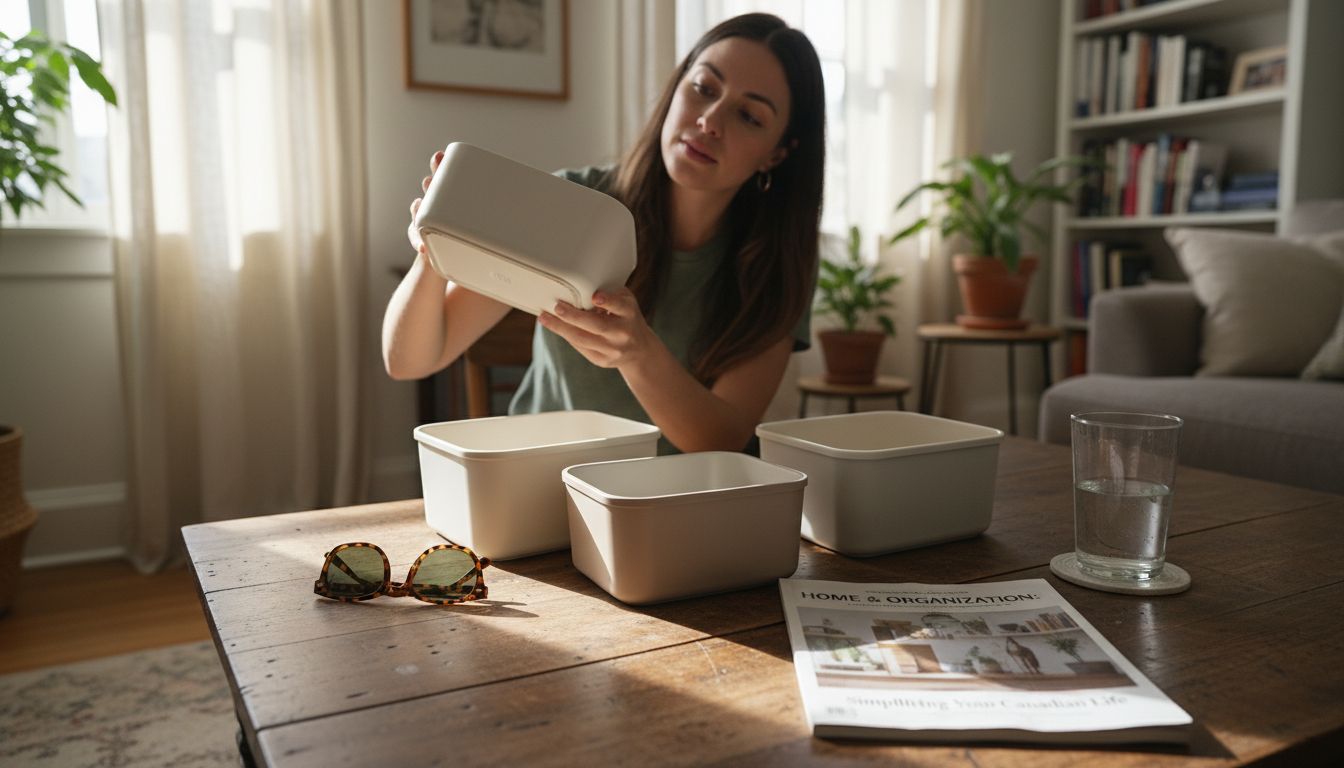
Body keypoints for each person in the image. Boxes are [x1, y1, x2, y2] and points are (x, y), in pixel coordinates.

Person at [383, 13, 825, 454]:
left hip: (672, 499)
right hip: (541, 481)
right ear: (676, 88)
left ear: (778, 153)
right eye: (704, 89)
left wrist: (638, 355)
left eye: (748, 116)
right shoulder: (570, 202)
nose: (710, 120)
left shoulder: (776, 268)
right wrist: (433, 251)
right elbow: (408, 361)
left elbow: (724, 440)